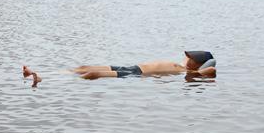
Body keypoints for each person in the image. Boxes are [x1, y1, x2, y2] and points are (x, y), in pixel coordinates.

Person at [22, 50, 217, 84]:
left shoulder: (193, 71)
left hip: (135, 74)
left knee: (93, 74)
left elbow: (211, 70)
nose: (188, 59)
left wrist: (206, 65)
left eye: (193, 58)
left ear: (199, 63)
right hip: (133, 66)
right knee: (83, 67)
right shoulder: (184, 66)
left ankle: (44, 79)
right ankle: (40, 73)